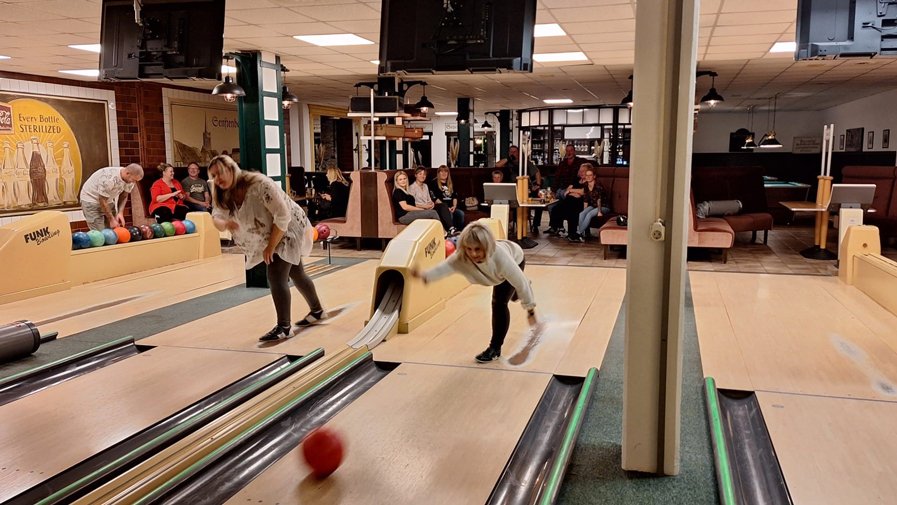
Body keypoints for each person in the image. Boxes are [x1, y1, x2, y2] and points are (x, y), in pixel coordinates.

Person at [208, 154, 324, 341]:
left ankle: (284, 327)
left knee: (276, 274)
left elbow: (283, 217)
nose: (217, 179)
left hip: (289, 226)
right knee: (296, 272)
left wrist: (270, 247)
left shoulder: (260, 184)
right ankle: (317, 311)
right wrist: (225, 223)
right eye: (213, 175)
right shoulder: (221, 190)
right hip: (269, 229)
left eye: (220, 173)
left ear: (232, 169)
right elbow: (216, 215)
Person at [412, 222, 537, 363]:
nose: (473, 254)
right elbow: (443, 268)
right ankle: (516, 293)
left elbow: (521, 282)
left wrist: (530, 309)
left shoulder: (500, 257)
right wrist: (423, 275)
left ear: (487, 247)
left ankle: (495, 348)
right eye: (469, 249)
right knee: (510, 295)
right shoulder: (461, 257)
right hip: (499, 275)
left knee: (500, 302)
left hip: (515, 257)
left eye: (478, 249)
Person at [79, 163, 144, 231]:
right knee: (100, 234)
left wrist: (120, 212)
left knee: (113, 231)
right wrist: (111, 219)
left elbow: (124, 196)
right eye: (133, 180)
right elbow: (102, 200)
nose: (134, 182)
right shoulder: (109, 178)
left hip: (107, 200)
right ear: (127, 173)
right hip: (91, 200)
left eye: (136, 181)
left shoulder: (130, 181)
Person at [407, 167, 455, 234]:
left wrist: (432, 204)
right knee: (437, 212)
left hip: (429, 207)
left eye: (424, 174)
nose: (422, 176)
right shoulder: (411, 188)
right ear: (416, 175)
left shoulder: (425, 186)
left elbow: (429, 199)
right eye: (420, 174)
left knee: (443, 206)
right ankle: (443, 231)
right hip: (420, 208)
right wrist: (424, 206)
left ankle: (451, 228)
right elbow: (411, 204)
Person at [429, 165, 464, 230]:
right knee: (449, 214)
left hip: (451, 207)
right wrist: (446, 208)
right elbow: (435, 198)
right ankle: (450, 232)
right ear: (438, 173)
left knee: (461, 214)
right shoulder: (433, 183)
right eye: (441, 172)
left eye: (446, 172)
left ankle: (459, 233)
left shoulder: (450, 183)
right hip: (442, 208)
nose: (444, 173)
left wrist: (454, 206)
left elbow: (455, 197)